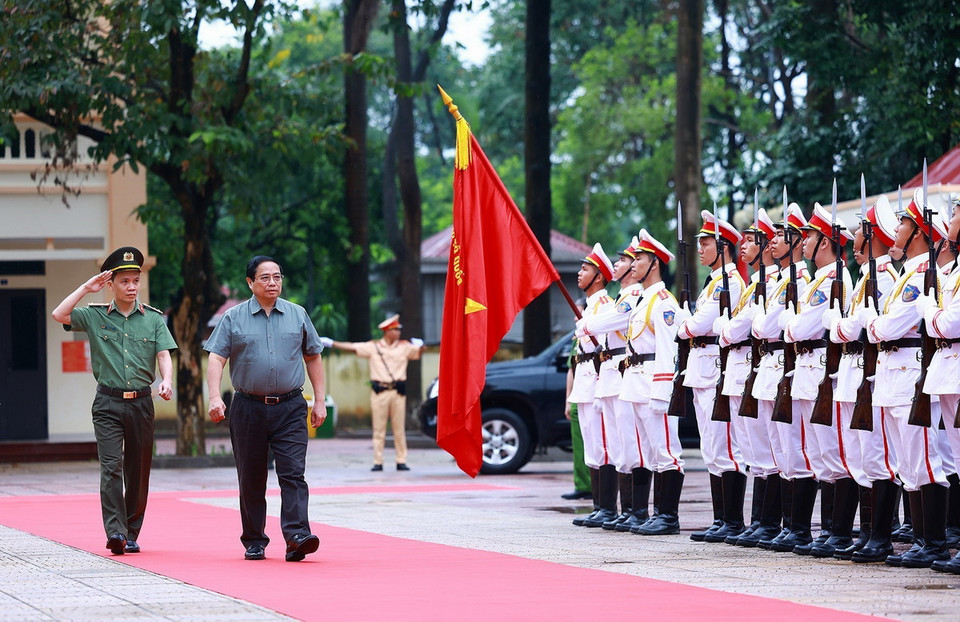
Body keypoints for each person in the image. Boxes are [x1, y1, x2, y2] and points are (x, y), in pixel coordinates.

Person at [51, 246, 176, 556]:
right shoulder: (94, 316)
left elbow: (163, 353)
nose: (132, 287)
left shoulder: (153, 319)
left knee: (138, 469)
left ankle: (132, 531)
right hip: (107, 403)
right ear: (111, 284)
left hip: (142, 403)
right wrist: (84, 287)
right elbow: (59, 314)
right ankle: (116, 532)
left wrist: (167, 380)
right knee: (111, 468)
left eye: (136, 281)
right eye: (125, 282)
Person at [205, 255, 326, 562]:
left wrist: (320, 399)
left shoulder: (297, 314)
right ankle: (254, 539)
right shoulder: (233, 318)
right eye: (265, 278)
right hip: (248, 407)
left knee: (293, 473)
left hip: (291, 407)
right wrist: (214, 397)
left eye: (277, 277)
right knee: (251, 476)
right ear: (250, 282)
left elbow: (313, 356)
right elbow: (216, 358)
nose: (273, 283)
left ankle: (297, 536)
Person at [854, 189, 950, 567]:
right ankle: (923, 541)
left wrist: (871, 324)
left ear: (920, 233)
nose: (897, 228)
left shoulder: (919, 278)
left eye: (905, 223)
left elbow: (888, 327)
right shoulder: (906, 276)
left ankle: (935, 542)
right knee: (907, 462)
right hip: (892, 375)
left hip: (909, 372)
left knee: (924, 460)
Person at [822, 194, 899, 561]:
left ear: (872, 237)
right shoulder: (868, 275)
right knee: (859, 455)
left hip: (869, 371)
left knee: (875, 454)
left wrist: (835, 325)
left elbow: (856, 326)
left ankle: (879, 536)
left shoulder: (882, 276)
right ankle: (868, 532)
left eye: (858, 234)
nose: (853, 242)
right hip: (855, 372)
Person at [779, 203, 853, 555]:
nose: (802, 242)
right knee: (819, 452)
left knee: (832, 451)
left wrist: (792, 324)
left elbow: (800, 327)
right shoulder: (821, 279)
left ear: (824, 242)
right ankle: (827, 531)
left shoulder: (834, 278)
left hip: (823, 370)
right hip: (810, 372)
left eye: (808, 236)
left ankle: (839, 532)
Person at [676, 210, 745, 543]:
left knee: (724, 447)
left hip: (716, 371)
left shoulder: (729, 282)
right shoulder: (715, 283)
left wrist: (688, 324)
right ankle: (722, 519)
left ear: (724, 246)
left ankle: (732, 520)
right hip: (703, 371)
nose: (700, 250)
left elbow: (693, 326)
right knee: (711, 449)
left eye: (706, 244)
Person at [619, 229, 685, 535]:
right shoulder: (643, 299)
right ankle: (650, 513)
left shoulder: (663, 301)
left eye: (640, 259)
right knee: (647, 450)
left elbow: (668, 350)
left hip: (653, 384)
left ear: (654, 263)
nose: (633, 264)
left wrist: (663, 392)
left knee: (666, 449)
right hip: (636, 383)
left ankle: (668, 516)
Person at [577, 237, 645, 530]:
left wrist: (586, 325)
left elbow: (602, 330)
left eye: (586, 268)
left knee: (621, 446)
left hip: (616, 374)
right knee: (601, 446)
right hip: (602, 376)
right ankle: (605, 507)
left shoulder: (613, 301)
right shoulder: (614, 300)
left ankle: (627, 509)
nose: (579, 273)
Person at [322, 315, 424, 471]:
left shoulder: (405, 347)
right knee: (379, 428)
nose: (398, 332)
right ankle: (378, 461)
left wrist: (421, 346)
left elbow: (419, 352)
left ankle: (401, 460)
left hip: (398, 391)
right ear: (387, 331)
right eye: (395, 329)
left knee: (399, 428)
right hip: (380, 391)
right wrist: (331, 343)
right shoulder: (374, 347)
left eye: (398, 329)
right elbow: (352, 346)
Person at [568, 243, 616, 527]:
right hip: (584, 378)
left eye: (584, 269)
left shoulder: (605, 306)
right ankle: (599, 505)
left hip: (597, 378)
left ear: (598, 276)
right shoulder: (589, 308)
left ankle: (608, 507)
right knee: (592, 446)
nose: (578, 273)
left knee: (603, 444)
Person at [562, 299, 592, 501]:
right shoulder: (577, 338)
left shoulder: (594, 334)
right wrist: (568, 399)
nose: (575, 317)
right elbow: (572, 369)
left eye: (578, 312)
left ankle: (595, 487)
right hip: (578, 395)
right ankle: (581, 484)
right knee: (579, 443)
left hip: (592, 393)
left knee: (595, 444)